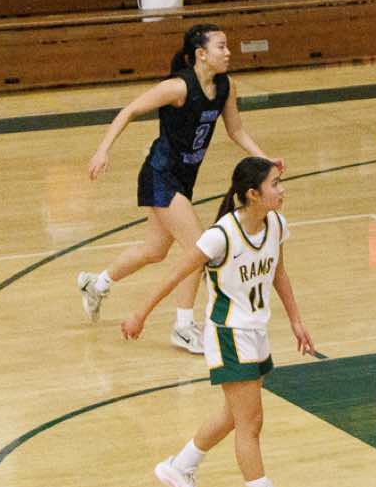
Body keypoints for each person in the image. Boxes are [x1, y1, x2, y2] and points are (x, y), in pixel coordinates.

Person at [126, 157, 316, 487]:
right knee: (251, 423)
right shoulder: (222, 235)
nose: (282, 190)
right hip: (229, 334)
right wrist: (140, 313)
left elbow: (278, 272)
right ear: (253, 194)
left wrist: (296, 320)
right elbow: (177, 273)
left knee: (233, 415)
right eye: (275, 184)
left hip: (256, 330)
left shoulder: (276, 224)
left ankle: (180, 467)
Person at [78, 25, 281, 354]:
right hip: (160, 174)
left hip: (184, 179)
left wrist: (264, 158)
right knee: (199, 247)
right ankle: (183, 327)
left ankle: (96, 283)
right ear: (202, 54)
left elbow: (236, 130)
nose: (228, 52)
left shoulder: (226, 86)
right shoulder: (178, 87)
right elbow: (129, 111)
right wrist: (103, 150)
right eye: (221, 47)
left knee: (154, 251)